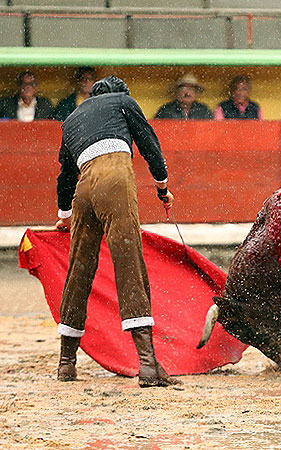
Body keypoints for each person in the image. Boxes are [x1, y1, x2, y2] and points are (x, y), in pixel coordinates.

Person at [54, 76, 180, 387]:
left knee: (79, 269)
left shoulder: (72, 119)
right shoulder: (123, 102)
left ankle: (66, 363)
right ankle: (148, 365)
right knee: (128, 262)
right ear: (120, 93)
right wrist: (162, 187)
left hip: (83, 190)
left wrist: (64, 215)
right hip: (114, 179)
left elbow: (65, 175)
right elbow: (149, 145)